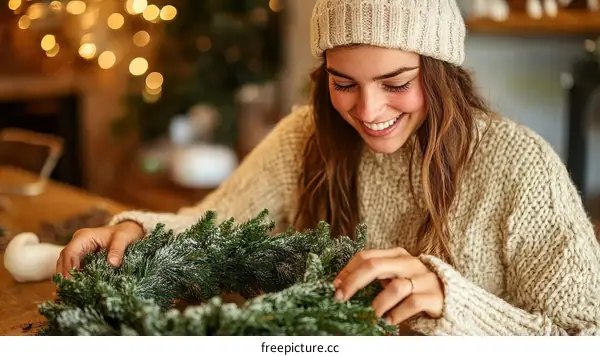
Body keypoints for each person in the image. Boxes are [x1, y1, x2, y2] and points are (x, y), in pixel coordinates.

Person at [56, 0, 600, 335]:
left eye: (396, 84)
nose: (368, 112)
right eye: (344, 84)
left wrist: (453, 303)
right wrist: (136, 232)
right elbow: (213, 226)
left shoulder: (520, 167)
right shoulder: (305, 138)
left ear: (441, 74)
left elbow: (585, 334)